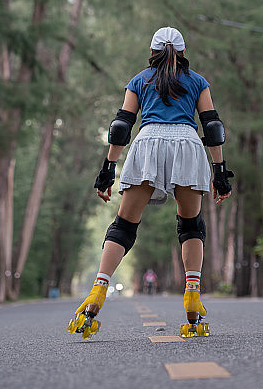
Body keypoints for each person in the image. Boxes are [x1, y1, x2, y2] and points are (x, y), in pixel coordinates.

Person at [67, 26, 234, 339]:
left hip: (148, 143)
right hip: (187, 143)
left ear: (152, 52)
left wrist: (108, 166)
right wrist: (220, 170)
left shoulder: (139, 79)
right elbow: (212, 126)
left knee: (124, 226)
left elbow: (121, 126)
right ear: (183, 53)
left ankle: (96, 294)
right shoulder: (198, 81)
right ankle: (193, 299)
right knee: (190, 225)